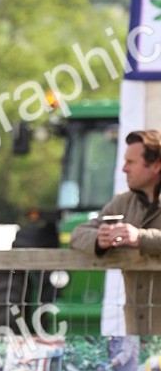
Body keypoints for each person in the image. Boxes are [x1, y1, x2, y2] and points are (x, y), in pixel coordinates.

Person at [69, 130, 161, 335]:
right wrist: (98, 239)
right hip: (138, 332)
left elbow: (142, 238)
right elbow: (78, 234)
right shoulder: (123, 202)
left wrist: (141, 238)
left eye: (131, 162)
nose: (124, 168)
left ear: (156, 165)